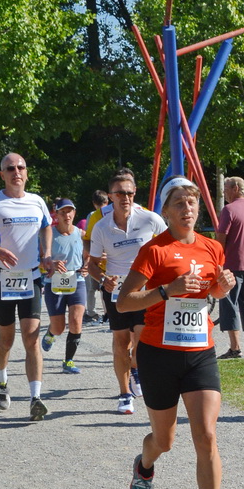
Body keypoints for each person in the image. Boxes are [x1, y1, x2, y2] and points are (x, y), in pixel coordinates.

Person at [116, 176, 238, 489]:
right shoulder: (154, 251)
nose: (188, 209)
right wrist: (167, 291)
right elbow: (124, 302)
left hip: (200, 350)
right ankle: (145, 465)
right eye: (180, 204)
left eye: (193, 203)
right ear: (166, 212)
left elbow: (212, 293)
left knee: (206, 435)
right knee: (164, 441)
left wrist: (222, 287)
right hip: (158, 354)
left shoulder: (212, 248)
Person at [0, 154, 54, 420]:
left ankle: (35, 397)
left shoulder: (37, 201)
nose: (16, 172)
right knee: (7, 340)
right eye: (10, 168)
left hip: (30, 277)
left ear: (26, 173)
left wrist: (47, 253)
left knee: (32, 338)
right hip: (1, 277)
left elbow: (47, 227)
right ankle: (2, 380)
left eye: (20, 167)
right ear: (2, 174)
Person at [88, 171, 164, 415]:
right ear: (110, 196)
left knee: (141, 342)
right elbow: (91, 264)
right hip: (116, 291)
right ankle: (124, 393)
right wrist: (102, 280)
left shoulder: (149, 219)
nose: (126, 197)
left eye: (130, 193)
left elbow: (169, 245)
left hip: (143, 289)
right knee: (121, 342)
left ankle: (135, 369)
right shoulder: (101, 227)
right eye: (120, 193)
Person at [215, 175, 244, 358]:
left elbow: (221, 238)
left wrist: (217, 260)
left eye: (226, 189)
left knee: (229, 304)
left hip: (231, 264)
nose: (225, 193)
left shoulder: (228, 210)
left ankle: (235, 348)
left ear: (235, 188)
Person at [41, 200, 87, 371]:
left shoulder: (82, 234)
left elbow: (89, 254)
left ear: (74, 213)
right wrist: (51, 263)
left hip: (77, 280)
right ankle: (51, 333)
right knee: (59, 327)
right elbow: (39, 261)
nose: (67, 216)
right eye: (63, 212)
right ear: (57, 214)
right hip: (54, 282)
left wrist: (88, 264)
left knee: (76, 321)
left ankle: (68, 361)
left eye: (70, 212)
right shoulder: (48, 234)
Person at [82, 190, 110, 323]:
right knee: (108, 286)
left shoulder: (93, 215)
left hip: (96, 254)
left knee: (93, 288)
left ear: (94, 203)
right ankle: (108, 313)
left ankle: (91, 312)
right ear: (108, 201)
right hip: (112, 255)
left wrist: (87, 258)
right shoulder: (114, 213)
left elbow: (88, 237)